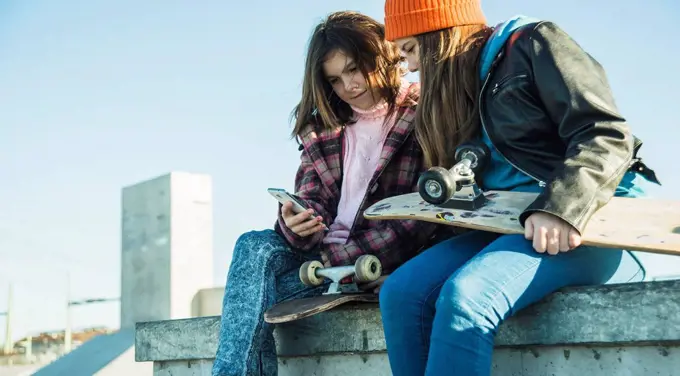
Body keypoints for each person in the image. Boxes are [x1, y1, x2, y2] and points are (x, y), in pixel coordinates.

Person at [377, 1, 661, 375]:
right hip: (508, 221)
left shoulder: (532, 42)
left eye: (411, 49)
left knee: (467, 297)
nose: (410, 67)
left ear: (438, 34)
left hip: (592, 218)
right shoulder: (459, 88)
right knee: (401, 294)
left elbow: (605, 134)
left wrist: (560, 208)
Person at [211, 11, 452, 376]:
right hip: (320, 259)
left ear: (383, 55)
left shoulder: (424, 111)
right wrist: (296, 221)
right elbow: (313, 198)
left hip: (372, 262)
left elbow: (414, 219)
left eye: (355, 69)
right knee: (252, 244)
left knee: (253, 296)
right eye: (336, 80)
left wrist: (331, 257)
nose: (350, 86)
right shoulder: (323, 128)